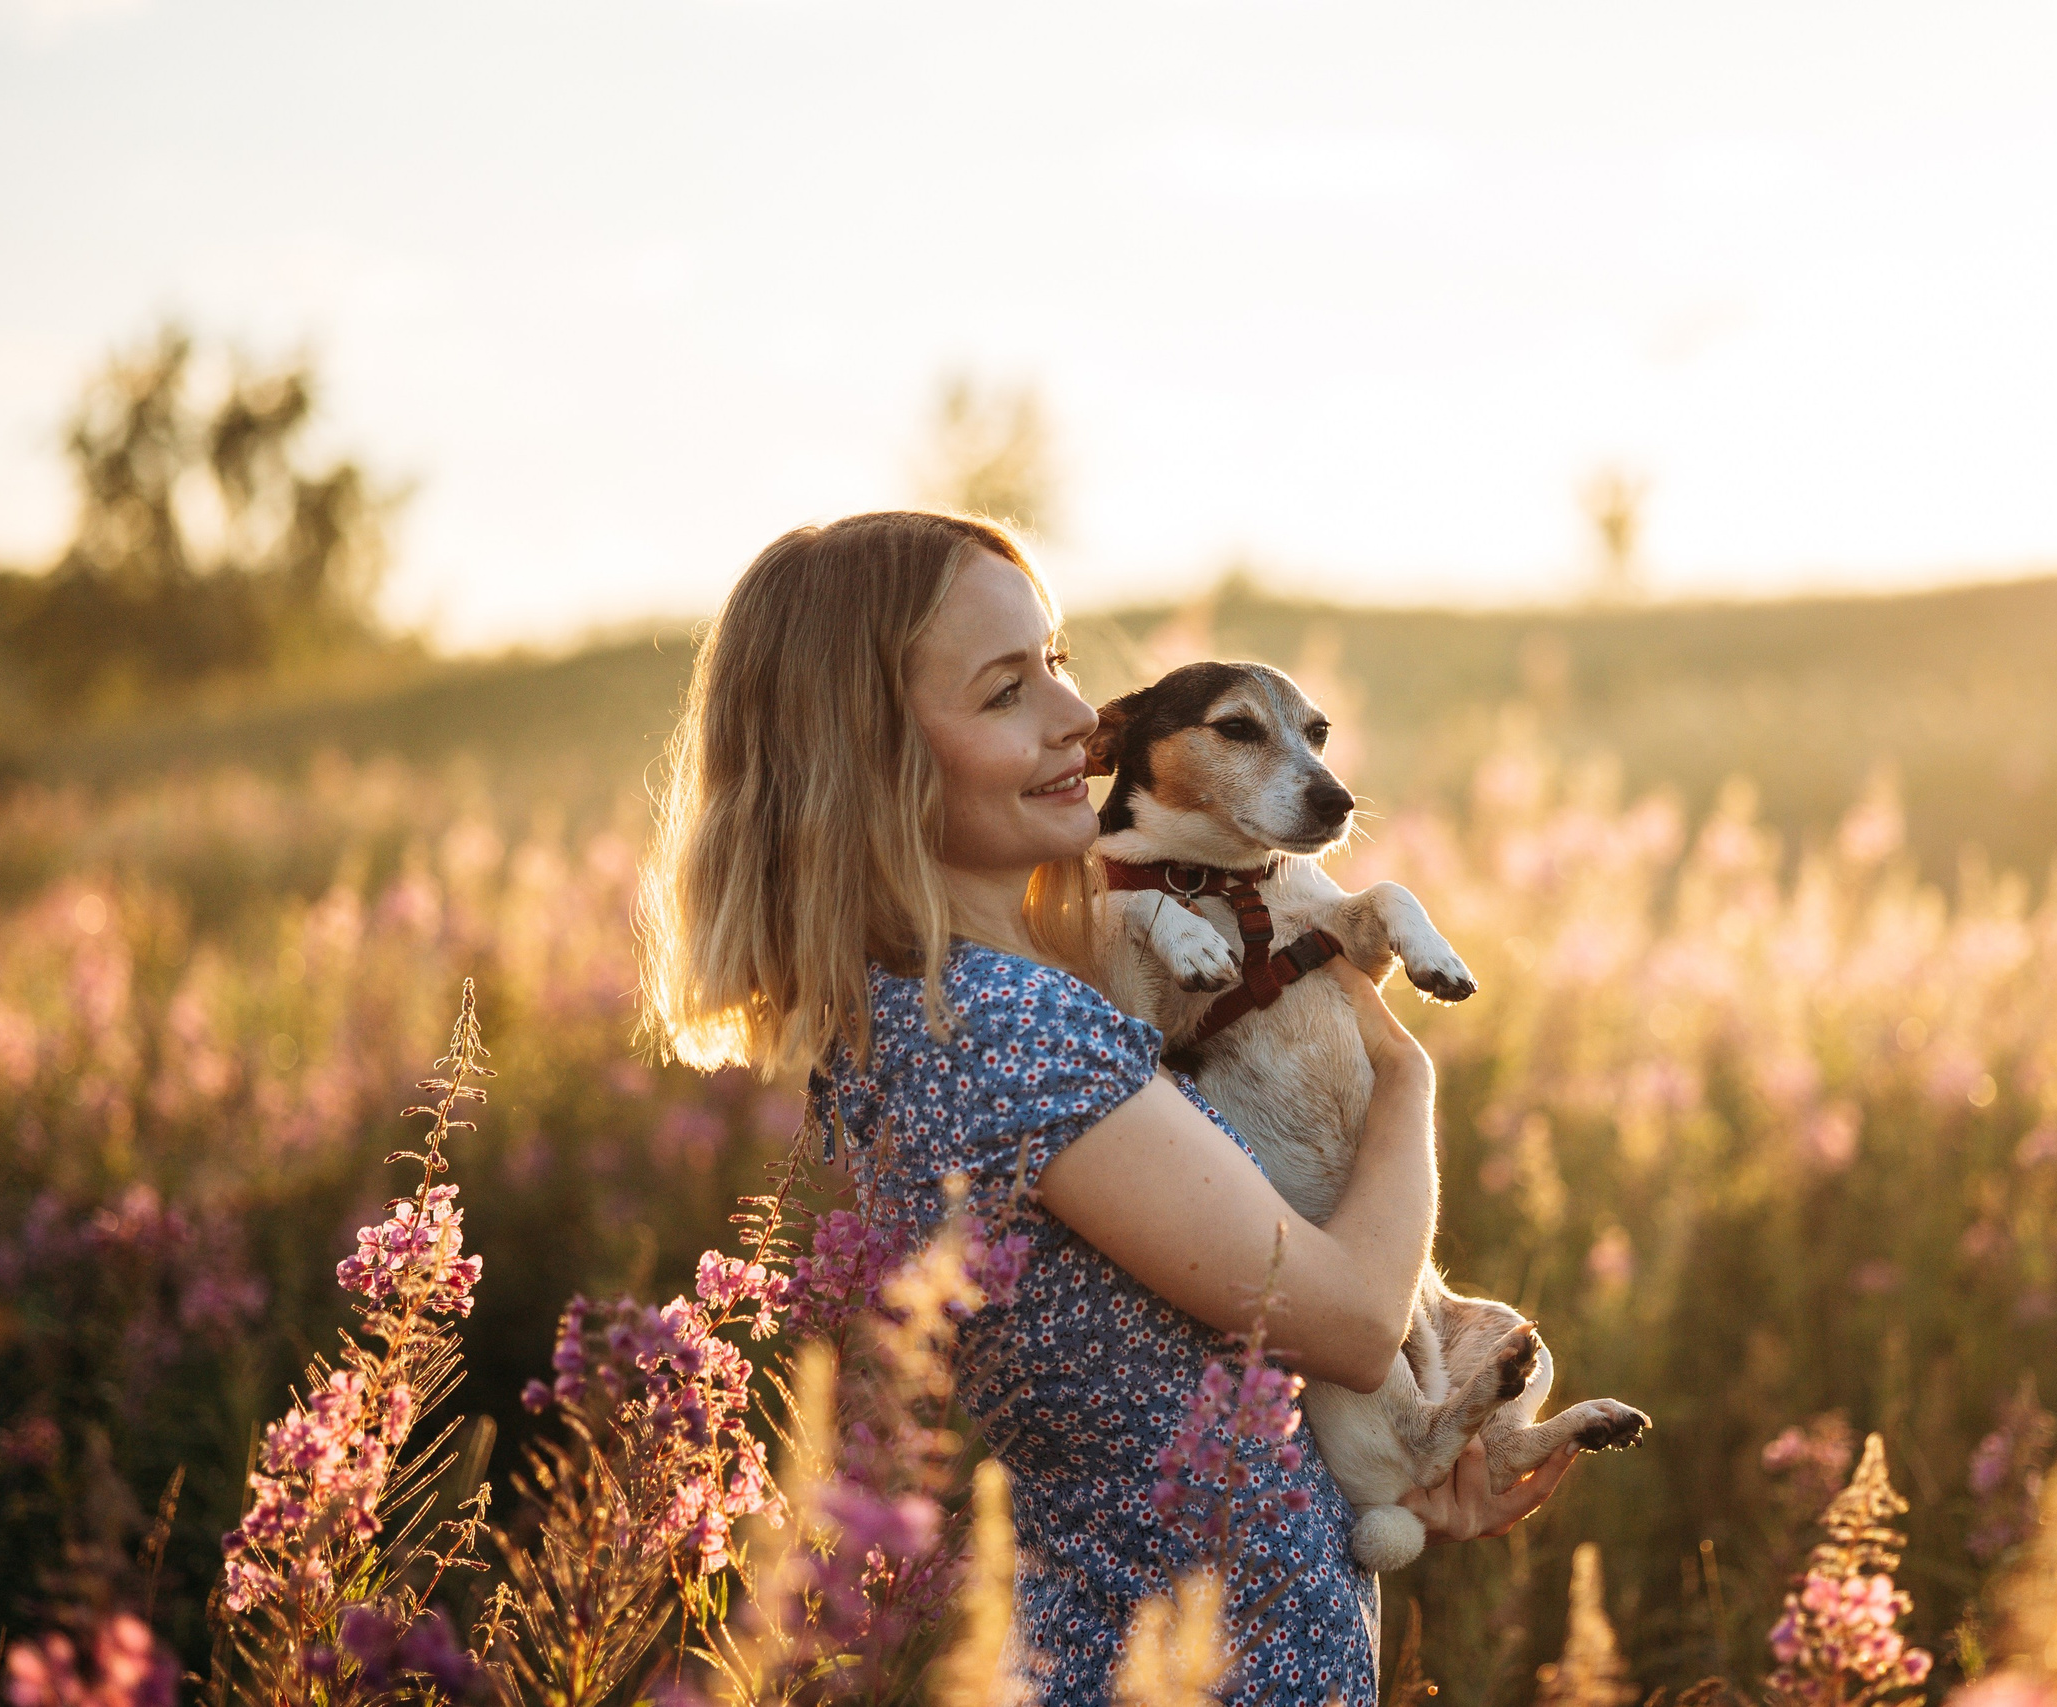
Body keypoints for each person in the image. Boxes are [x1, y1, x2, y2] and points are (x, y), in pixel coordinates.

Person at [639, 511, 1575, 1704]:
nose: (1079, 719)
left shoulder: (970, 1005)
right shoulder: (1006, 1033)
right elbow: (1343, 1321)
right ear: (875, 763)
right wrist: (1406, 1076)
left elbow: (1182, 1378)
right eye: (1001, 693)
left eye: (1059, 661)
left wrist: (1399, 1454)